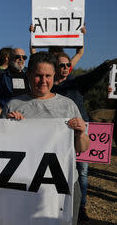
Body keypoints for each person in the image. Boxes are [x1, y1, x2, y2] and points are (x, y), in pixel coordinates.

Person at [3, 52, 90, 225]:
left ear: (54, 76)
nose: (43, 81)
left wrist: (80, 133)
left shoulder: (68, 105)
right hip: (24, 185)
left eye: (48, 76)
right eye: (38, 75)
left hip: (64, 185)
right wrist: (9, 128)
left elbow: (82, 148)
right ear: (29, 75)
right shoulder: (13, 105)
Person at [52, 53, 117, 222]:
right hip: (57, 137)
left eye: (68, 65)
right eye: (61, 65)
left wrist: (108, 63)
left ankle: (81, 207)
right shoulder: (48, 86)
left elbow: (94, 75)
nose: (66, 68)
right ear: (55, 67)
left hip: (79, 135)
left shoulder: (76, 83)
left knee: (82, 172)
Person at [0, 48, 30, 117]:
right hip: (7, 117)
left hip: (26, 116)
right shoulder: (0, 75)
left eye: (24, 57)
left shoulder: (30, 75)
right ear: (10, 58)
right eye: (18, 57)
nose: (21, 59)